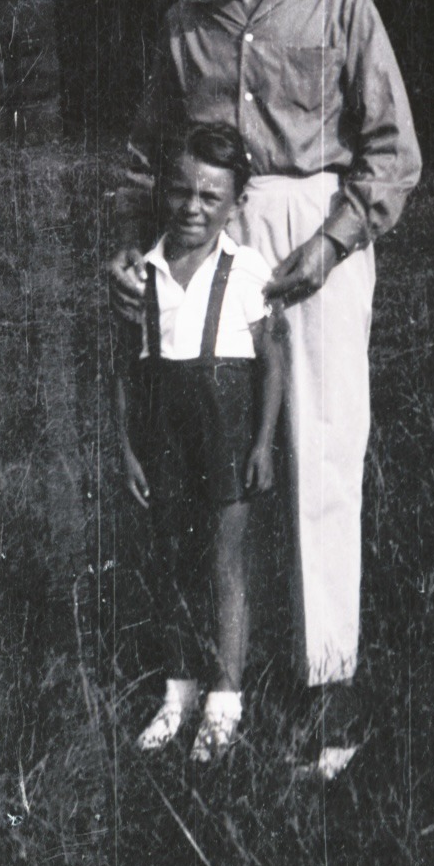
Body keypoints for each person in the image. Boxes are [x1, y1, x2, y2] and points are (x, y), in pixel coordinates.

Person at [108, 0, 422, 778]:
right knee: (214, 458)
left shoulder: (340, 6)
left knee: (319, 449)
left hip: (311, 235)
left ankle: (328, 695)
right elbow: (145, 155)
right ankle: (220, 679)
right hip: (210, 233)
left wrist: (327, 248)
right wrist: (131, 246)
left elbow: (393, 154)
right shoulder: (186, 23)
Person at [114, 122, 285, 761]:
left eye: (210, 197)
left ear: (236, 204)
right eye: (181, 191)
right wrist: (126, 448)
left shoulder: (245, 271)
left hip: (228, 430)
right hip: (163, 434)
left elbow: (273, 361)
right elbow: (126, 369)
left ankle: (225, 700)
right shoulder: (144, 271)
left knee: (224, 564)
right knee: (171, 563)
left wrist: (264, 442)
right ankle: (177, 693)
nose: (192, 207)